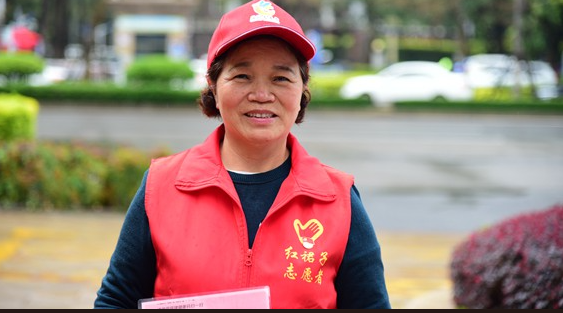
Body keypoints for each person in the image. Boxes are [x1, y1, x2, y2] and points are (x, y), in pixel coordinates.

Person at [94, 0, 391, 309]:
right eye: (242, 76)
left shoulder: (337, 199)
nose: (261, 95)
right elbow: (116, 300)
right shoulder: (162, 186)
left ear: (303, 88)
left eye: (281, 78)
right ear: (213, 85)